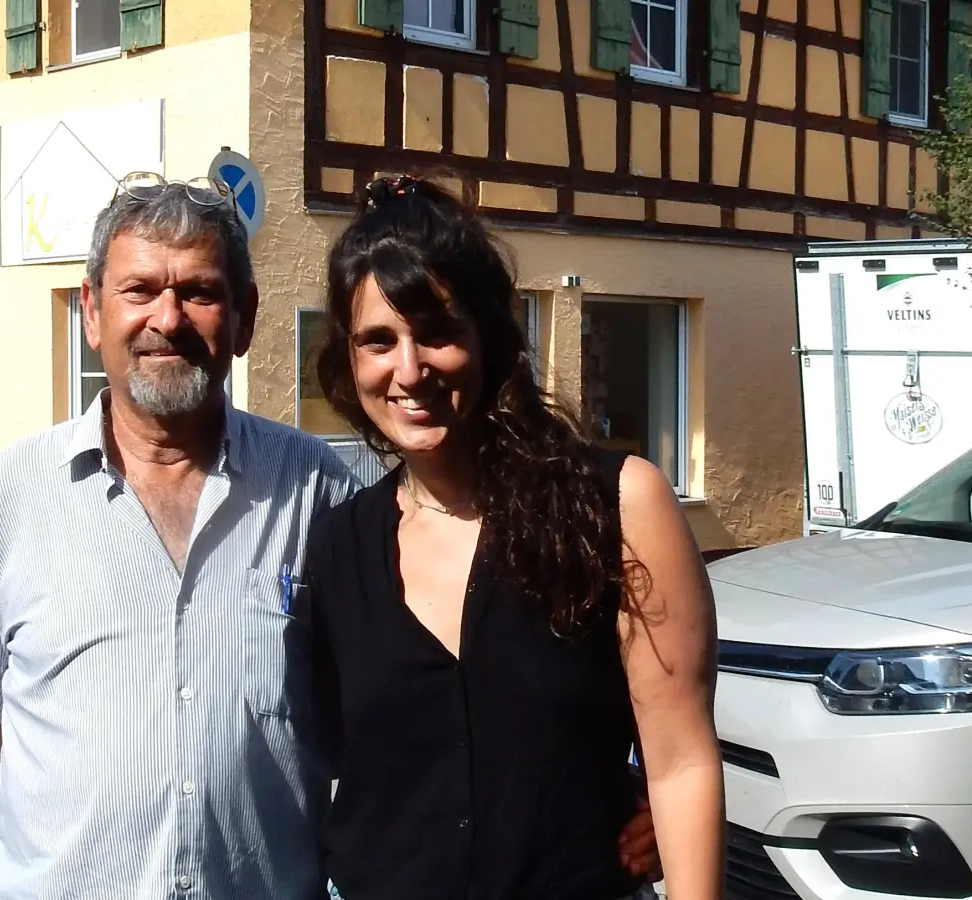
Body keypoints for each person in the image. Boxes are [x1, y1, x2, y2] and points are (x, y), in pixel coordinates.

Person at [0, 173, 662, 899]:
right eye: (140, 290)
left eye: (199, 292)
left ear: (245, 318)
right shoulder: (0, 505)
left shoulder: (324, 496)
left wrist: (604, 787)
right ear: (92, 312)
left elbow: (426, 704)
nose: (168, 319)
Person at [306, 175, 723, 900]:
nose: (409, 370)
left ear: (489, 338)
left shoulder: (615, 506)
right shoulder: (339, 545)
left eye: (437, 332)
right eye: (379, 341)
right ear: (350, 361)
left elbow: (681, 764)